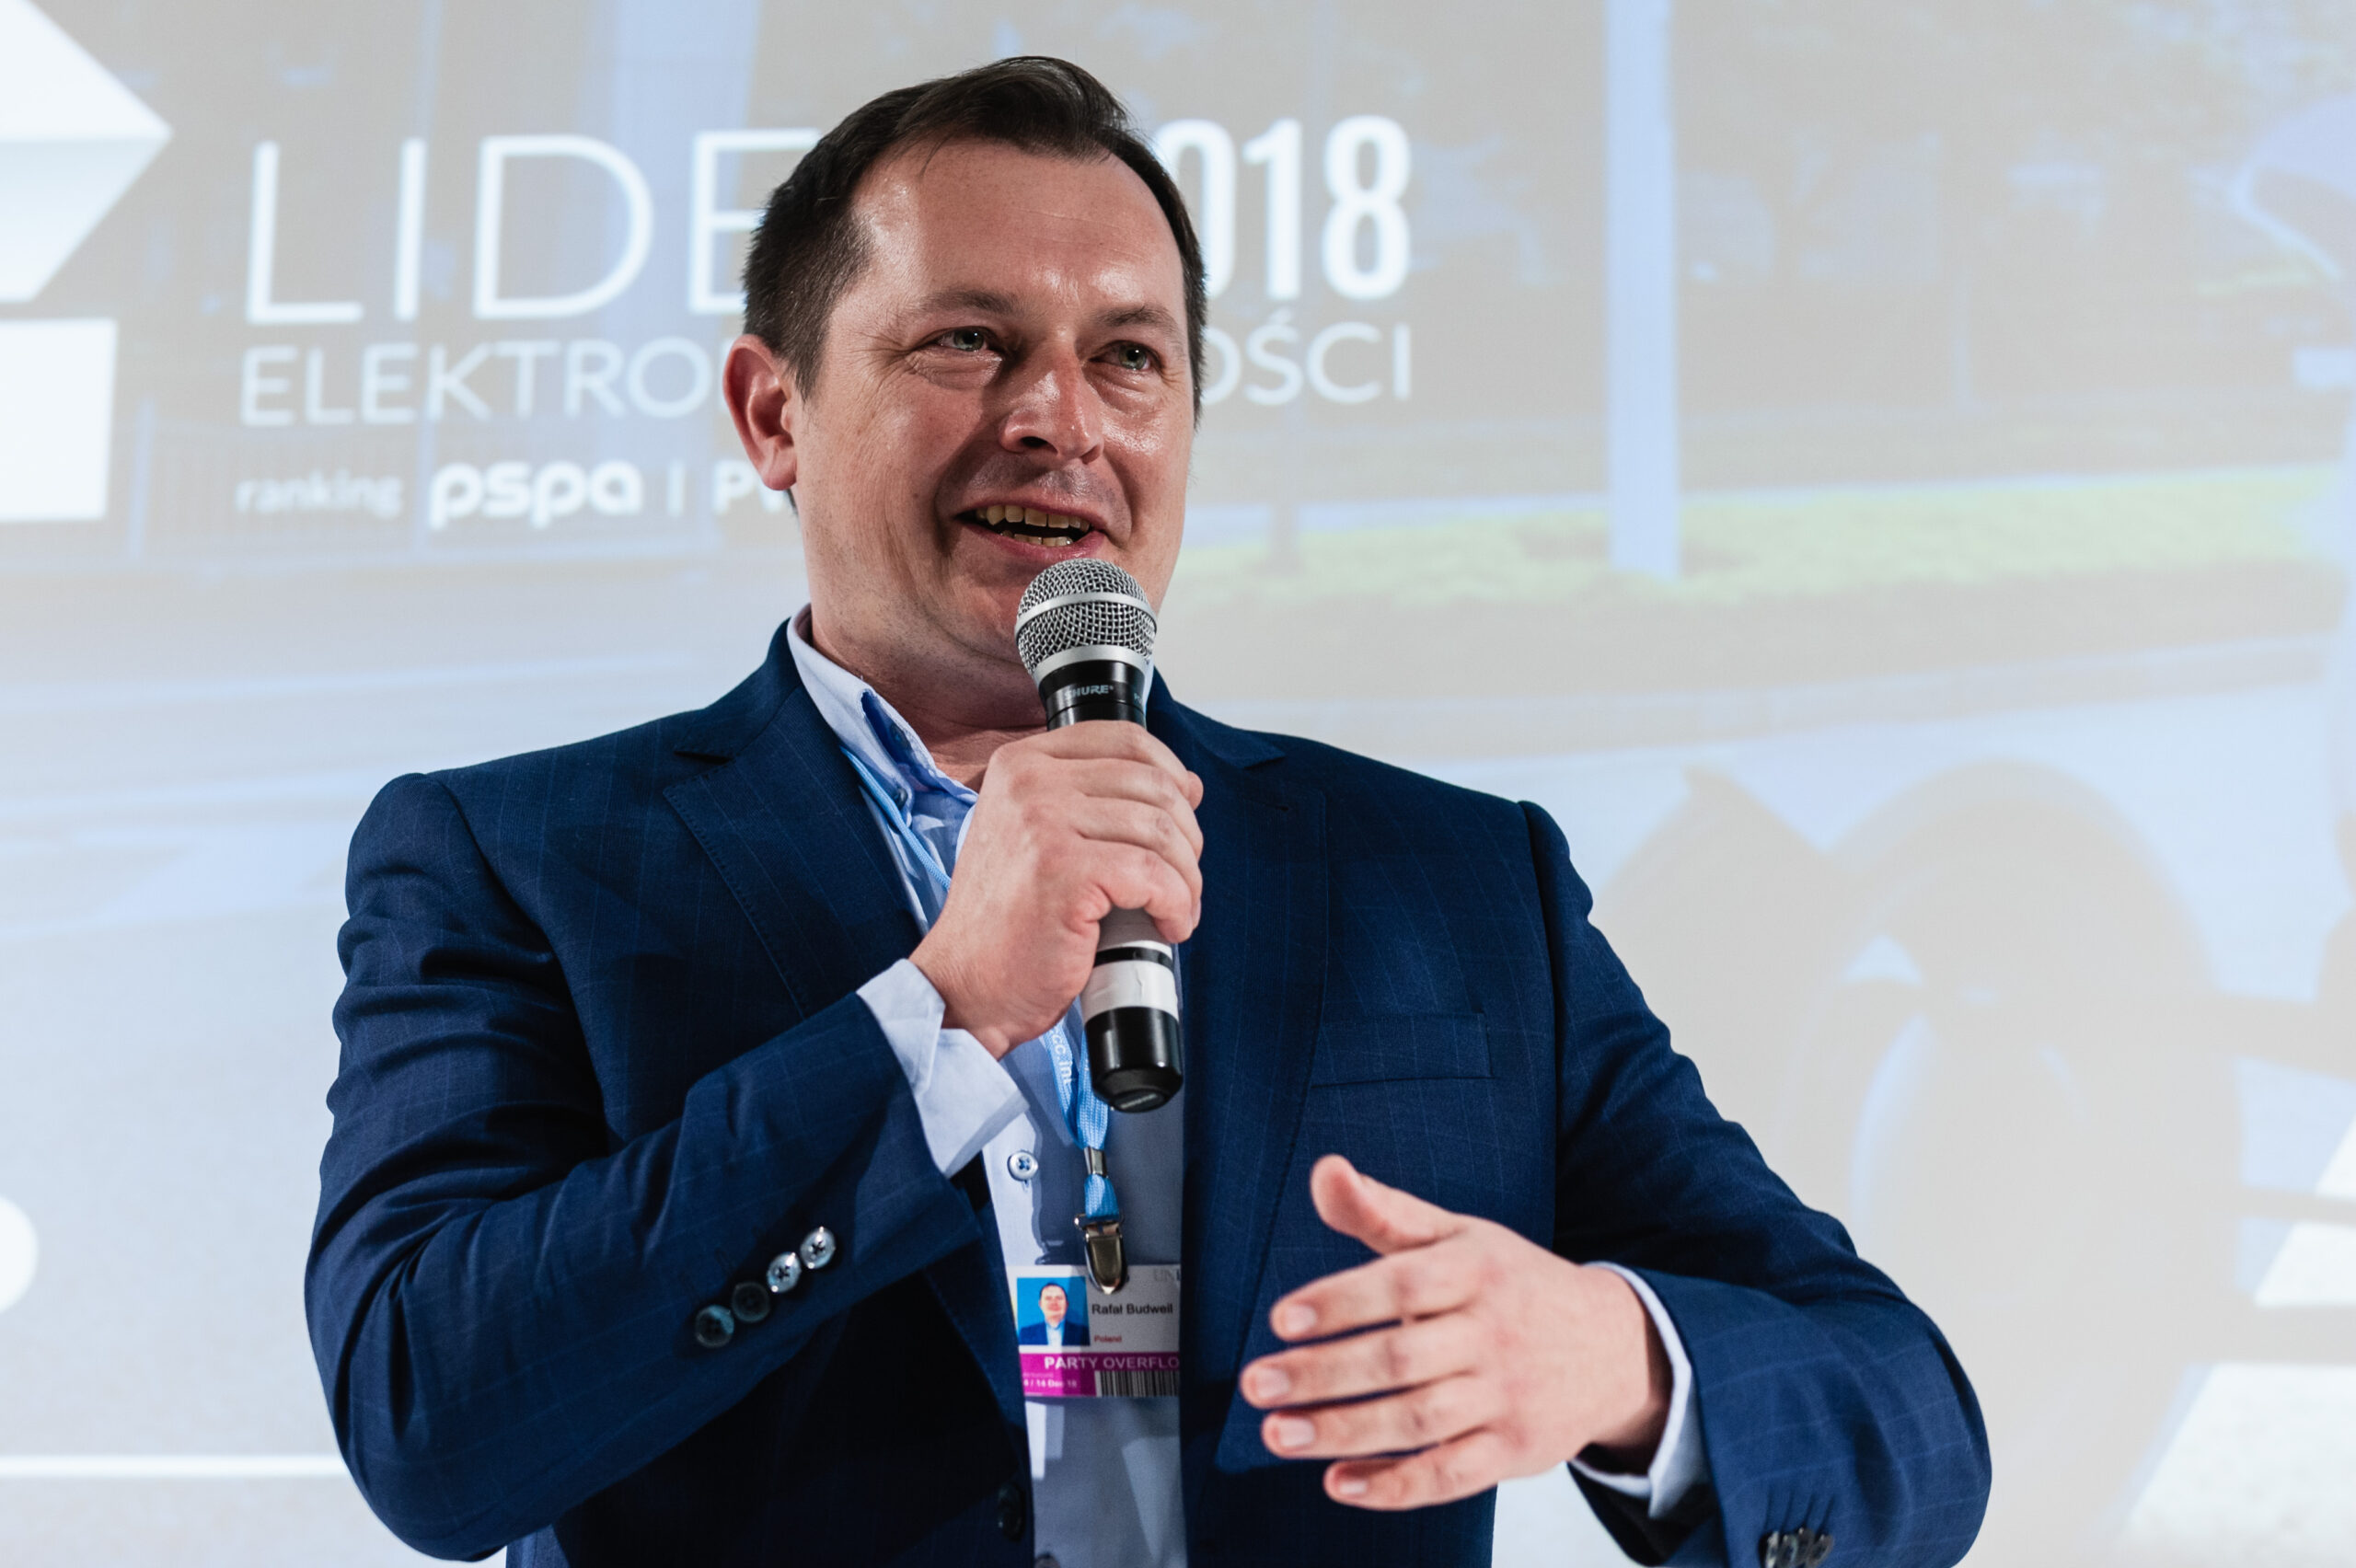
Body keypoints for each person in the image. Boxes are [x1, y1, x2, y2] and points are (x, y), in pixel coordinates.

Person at [306, 56, 1990, 1568]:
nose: (1059, 418)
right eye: (969, 342)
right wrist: (940, 1016)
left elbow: (1907, 1423)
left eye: (1126, 357)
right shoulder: (513, 860)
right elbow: (427, 1420)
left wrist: (1618, 1357)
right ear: (773, 413)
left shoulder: (1460, 882)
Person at [1019, 1282, 1090, 1348]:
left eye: (1059, 1298)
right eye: (1048, 1298)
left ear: (1067, 1304)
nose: (1054, 1303)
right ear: (1040, 1304)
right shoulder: (1026, 1334)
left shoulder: (1083, 1333)